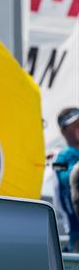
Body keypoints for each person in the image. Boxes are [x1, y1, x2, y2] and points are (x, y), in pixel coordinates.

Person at [53, 107, 79, 251]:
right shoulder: (59, 158)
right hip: (76, 228)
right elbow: (65, 178)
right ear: (63, 131)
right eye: (74, 126)